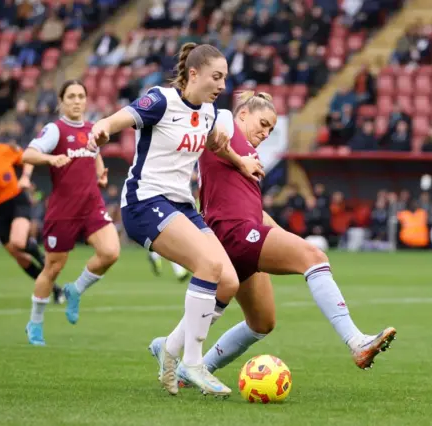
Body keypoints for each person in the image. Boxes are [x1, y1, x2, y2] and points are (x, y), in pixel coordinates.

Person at [159, 92, 397, 386]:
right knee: (315, 258)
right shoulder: (225, 121)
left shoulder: (250, 156)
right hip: (232, 231)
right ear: (242, 113)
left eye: (271, 128)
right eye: (262, 123)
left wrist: (287, 240)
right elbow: (212, 134)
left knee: (262, 323)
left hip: (235, 235)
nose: (265, 132)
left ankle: (192, 369)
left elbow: (255, 211)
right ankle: (356, 341)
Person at [87, 43, 264, 396]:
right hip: (144, 202)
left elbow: (215, 143)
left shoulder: (210, 111)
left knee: (227, 281)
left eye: (225, 78)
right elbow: (120, 117)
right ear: (193, 74)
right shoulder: (161, 101)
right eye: (216, 76)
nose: (222, 84)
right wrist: (102, 128)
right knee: (209, 264)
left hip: (180, 205)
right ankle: (194, 363)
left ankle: (169, 349)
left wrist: (241, 161)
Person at [21, 80, 120, 346]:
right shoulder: (55, 130)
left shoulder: (92, 129)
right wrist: (51, 159)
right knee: (53, 267)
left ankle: (75, 290)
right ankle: (35, 323)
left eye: (81, 96)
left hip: (91, 205)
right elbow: (28, 155)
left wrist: (100, 172)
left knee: (110, 252)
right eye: (71, 96)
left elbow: (94, 152)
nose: (77, 101)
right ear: (61, 101)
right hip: (63, 210)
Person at [0, 122, 63, 302]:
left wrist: (25, 178)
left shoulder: (3, 150)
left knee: (18, 241)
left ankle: (40, 255)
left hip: (16, 201)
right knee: (19, 257)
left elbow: (29, 158)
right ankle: (54, 289)